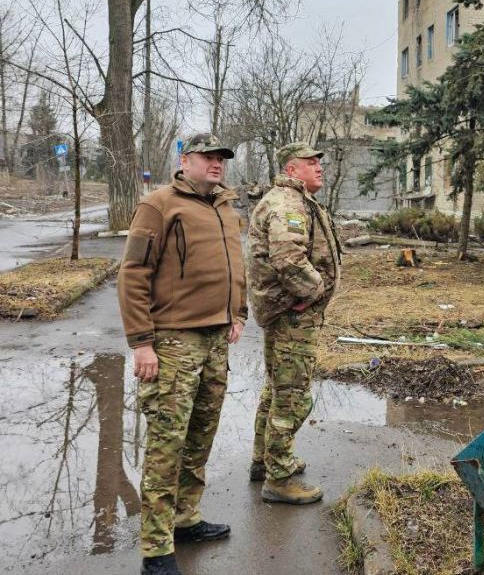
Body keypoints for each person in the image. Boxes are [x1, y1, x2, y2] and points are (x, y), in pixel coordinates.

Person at [118, 133, 247, 575]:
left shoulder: (225, 207)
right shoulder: (160, 204)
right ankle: (156, 549)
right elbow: (133, 273)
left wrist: (238, 312)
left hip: (215, 340)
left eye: (221, 159)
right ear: (185, 160)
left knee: (199, 437)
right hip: (173, 341)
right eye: (207, 157)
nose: (216, 164)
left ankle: (186, 519)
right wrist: (142, 342)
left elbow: (235, 265)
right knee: (166, 446)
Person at [246, 142, 341, 504]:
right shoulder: (287, 204)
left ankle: (264, 460)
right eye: (310, 161)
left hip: (286, 311)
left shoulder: (293, 200)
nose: (319, 166)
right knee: (292, 396)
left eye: (319, 161)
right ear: (291, 169)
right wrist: (314, 292)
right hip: (292, 314)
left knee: (275, 390)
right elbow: (288, 260)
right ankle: (279, 478)